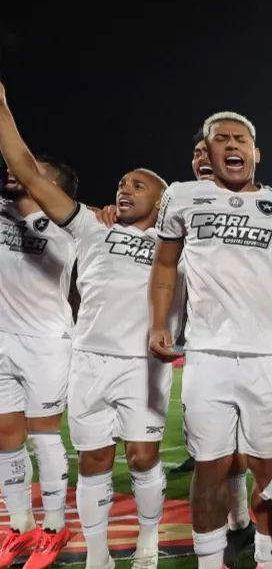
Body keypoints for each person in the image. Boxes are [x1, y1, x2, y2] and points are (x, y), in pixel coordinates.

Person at [0, 86, 178, 569]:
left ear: (162, 202)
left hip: (143, 366)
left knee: (143, 458)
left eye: (138, 185)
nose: (125, 188)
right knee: (94, 463)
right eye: (122, 182)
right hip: (89, 362)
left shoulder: (178, 244)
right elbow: (31, 173)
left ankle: (147, 545)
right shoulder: (90, 228)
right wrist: (2, 111)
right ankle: (98, 557)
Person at [149, 111, 272, 569]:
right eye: (219, 139)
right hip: (207, 356)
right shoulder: (181, 196)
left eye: (239, 138)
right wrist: (159, 322)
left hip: (271, 357)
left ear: (255, 152)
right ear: (208, 151)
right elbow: (164, 265)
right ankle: (210, 562)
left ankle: (266, 557)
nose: (231, 145)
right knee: (210, 468)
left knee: (267, 467)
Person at [0, 87, 78, 569]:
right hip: (1, 339)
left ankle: (54, 526)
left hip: (47, 342)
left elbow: (24, 169)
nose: (16, 172)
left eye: (34, 174)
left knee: (44, 434)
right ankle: (19, 527)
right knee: (5, 434)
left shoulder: (69, 230)